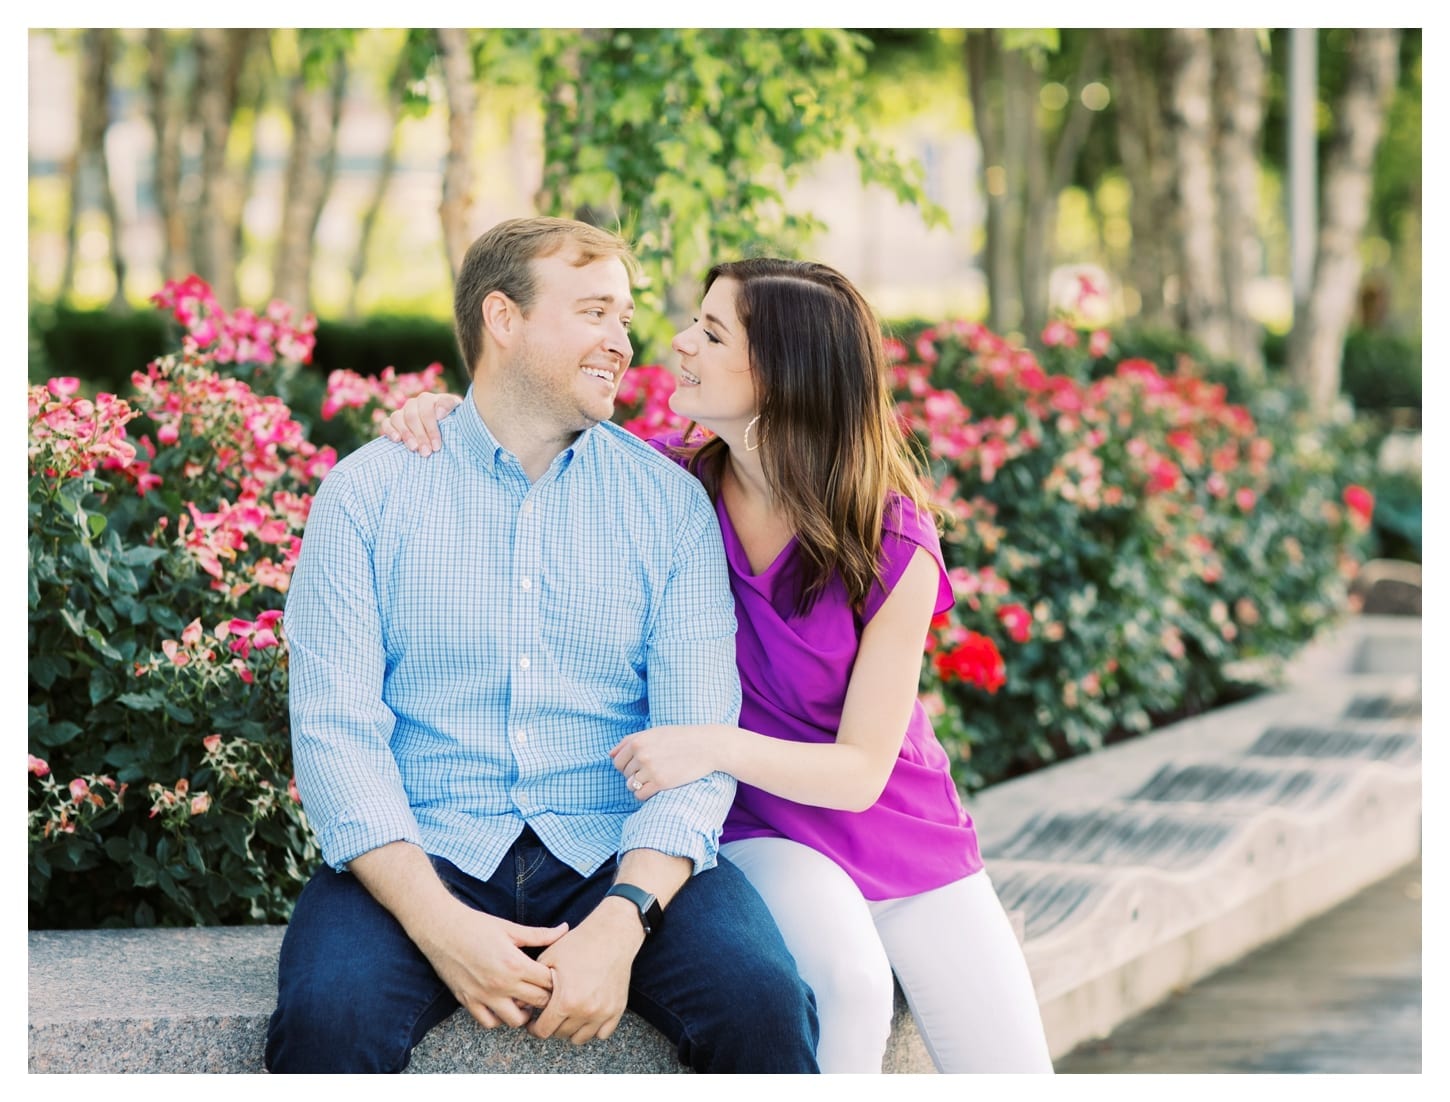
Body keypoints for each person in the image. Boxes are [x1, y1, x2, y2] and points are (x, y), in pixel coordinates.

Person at [384, 257, 1055, 1074]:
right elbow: (526, 427)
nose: (676, 344)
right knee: (846, 982)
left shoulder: (894, 540)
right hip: (755, 825)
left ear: (781, 369)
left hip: (896, 826)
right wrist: (446, 415)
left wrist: (708, 744)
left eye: (710, 331)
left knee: (1015, 1073)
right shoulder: (668, 485)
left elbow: (859, 774)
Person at [268, 219, 820, 1074]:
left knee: (763, 1000)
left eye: (625, 318)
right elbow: (335, 737)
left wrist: (623, 918)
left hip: (614, 847)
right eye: (595, 311)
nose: (623, 342)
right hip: (427, 845)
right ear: (504, 318)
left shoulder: (668, 506)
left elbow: (697, 742)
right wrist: (437, 923)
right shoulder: (367, 497)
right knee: (327, 1017)